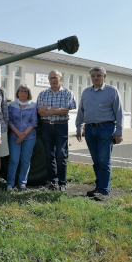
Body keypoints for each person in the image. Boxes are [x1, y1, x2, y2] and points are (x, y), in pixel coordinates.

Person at [75, 66, 124, 201]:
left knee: (104, 160)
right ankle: (99, 186)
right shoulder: (86, 92)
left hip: (106, 129)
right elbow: (81, 111)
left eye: (98, 75)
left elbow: (119, 113)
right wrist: (78, 127)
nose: (95, 78)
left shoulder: (112, 91)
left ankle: (104, 190)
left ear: (104, 76)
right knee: (96, 161)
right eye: (93, 76)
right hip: (89, 130)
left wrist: (118, 132)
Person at [36, 70, 76, 191]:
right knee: (49, 155)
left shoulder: (68, 93)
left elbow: (65, 110)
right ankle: (53, 181)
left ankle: (62, 182)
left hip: (61, 126)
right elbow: (40, 111)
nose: (53, 80)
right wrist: (56, 110)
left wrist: (47, 109)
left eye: (55, 78)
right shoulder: (43, 94)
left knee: (61, 154)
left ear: (60, 78)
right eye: (51, 78)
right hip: (46, 126)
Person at [6, 84, 38, 191]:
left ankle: (22, 183)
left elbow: (33, 122)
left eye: (26, 91)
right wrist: (18, 134)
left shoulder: (33, 106)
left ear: (28, 93)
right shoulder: (12, 105)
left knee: (25, 160)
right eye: (21, 91)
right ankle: (10, 183)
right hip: (14, 136)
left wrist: (23, 135)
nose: (23, 93)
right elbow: (9, 121)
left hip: (29, 137)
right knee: (14, 160)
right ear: (17, 93)